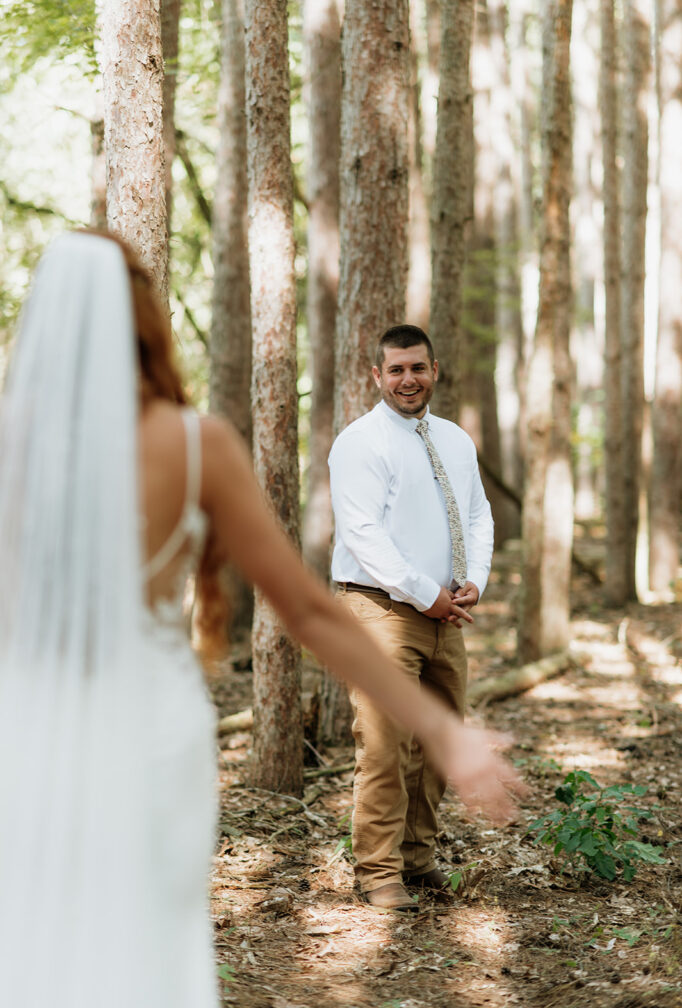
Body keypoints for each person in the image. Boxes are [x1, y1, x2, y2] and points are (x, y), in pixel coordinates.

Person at [0, 235, 522, 1006]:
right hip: (148, 730)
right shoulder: (194, 444)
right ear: (148, 316)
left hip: (26, 727)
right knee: (147, 939)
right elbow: (310, 609)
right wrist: (444, 731)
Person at [329, 324, 498, 911]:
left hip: (445, 613)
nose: (408, 380)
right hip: (379, 609)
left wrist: (475, 576)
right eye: (396, 369)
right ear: (376, 376)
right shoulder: (360, 442)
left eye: (417, 368)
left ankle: (417, 857)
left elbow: (478, 515)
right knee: (384, 742)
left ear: (434, 370)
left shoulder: (453, 439)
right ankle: (378, 873)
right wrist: (424, 592)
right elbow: (363, 535)